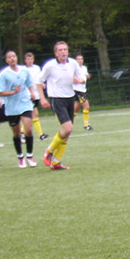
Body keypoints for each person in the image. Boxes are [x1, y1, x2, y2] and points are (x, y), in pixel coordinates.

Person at [37, 40, 83, 170]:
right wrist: (42, 98)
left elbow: (82, 78)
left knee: (67, 133)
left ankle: (56, 162)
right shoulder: (50, 66)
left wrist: (79, 80)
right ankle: (49, 151)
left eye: (65, 49)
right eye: (60, 50)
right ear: (56, 53)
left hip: (70, 98)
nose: (63, 52)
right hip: (57, 99)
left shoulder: (73, 63)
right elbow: (39, 81)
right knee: (67, 129)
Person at [0, 49, 37, 167]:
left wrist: (32, 93)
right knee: (16, 133)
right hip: (12, 107)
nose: (12, 58)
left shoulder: (24, 70)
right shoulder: (4, 74)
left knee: (28, 129)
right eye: (9, 57)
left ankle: (30, 156)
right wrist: (13, 92)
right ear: (6, 60)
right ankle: (20, 157)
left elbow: (30, 83)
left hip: (25, 104)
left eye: (14, 56)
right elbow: (0, 92)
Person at [22, 51, 47, 141]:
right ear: (25, 60)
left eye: (31, 59)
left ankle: (22, 132)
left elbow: (39, 78)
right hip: (28, 94)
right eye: (28, 59)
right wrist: (29, 92)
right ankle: (40, 134)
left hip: (36, 94)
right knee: (34, 113)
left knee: (32, 114)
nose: (30, 61)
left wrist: (42, 83)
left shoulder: (37, 68)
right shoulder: (23, 70)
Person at [73, 53, 93, 130]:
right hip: (78, 91)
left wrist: (88, 76)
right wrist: (79, 80)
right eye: (78, 59)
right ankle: (86, 125)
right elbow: (72, 78)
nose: (80, 60)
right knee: (86, 106)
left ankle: (68, 123)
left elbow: (86, 75)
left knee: (75, 109)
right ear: (75, 60)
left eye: (81, 59)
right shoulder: (73, 69)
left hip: (82, 90)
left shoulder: (84, 68)